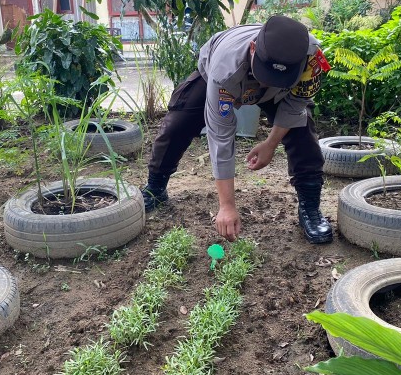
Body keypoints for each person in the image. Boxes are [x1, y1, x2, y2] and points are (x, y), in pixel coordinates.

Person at [141, 15, 333, 244]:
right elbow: (221, 135)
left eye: (276, 78)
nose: (265, 84)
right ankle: (155, 187)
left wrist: (270, 144)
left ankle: (310, 209)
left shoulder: (311, 59)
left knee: (303, 134)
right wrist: (227, 205)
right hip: (228, 74)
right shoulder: (224, 69)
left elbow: (295, 106)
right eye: (265, 76)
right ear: (253, 49)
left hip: (280, 93)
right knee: (178, 123)